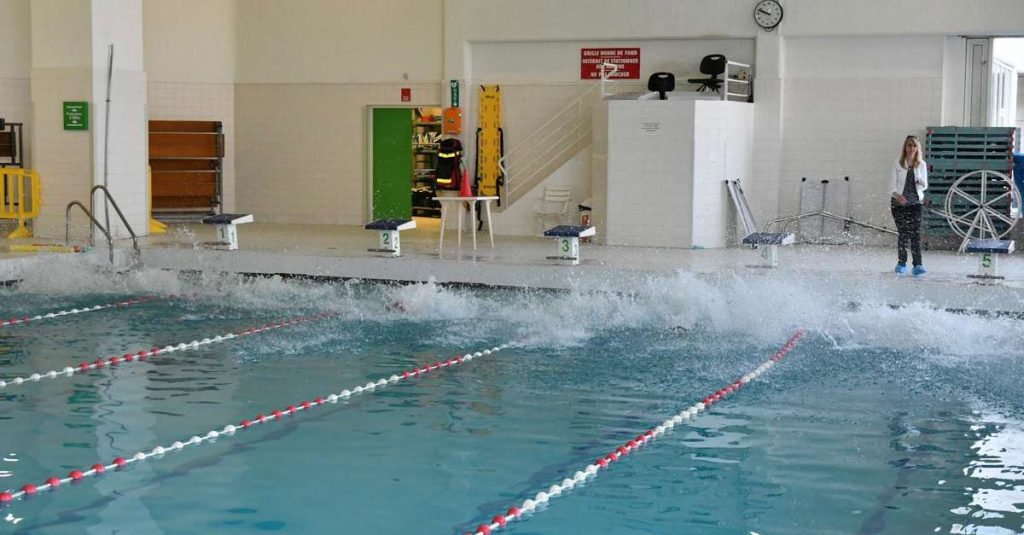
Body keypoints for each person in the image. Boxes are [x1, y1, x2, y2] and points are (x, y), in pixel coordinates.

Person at [890, 135, 928, 276]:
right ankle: (901, 263)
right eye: (909, 145)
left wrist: (922, 184)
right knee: (903, 233)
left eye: (914, 146)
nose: (912, 148)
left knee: (916, 234)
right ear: (905, 147)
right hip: (899, 204)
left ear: (917, 148)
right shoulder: (897, 164)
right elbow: (891, 186)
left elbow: (925, 185)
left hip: (916, 204)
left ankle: (918, 264)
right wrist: (897, 196)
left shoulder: (922, 164)